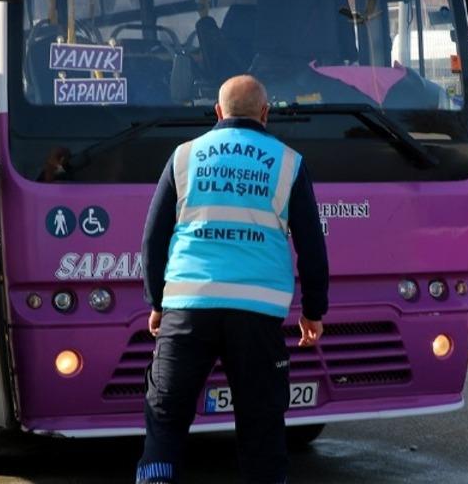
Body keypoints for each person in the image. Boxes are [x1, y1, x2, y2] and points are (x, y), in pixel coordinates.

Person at [137, 75, 329, 484]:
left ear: (218, 112)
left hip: (187, 309)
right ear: (265, 113)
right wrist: (313, 312)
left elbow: (153, 238)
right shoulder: (288, 163)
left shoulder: (185, 157)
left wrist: (157, 302)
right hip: (257, 314)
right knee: (262, 427)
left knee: (165, 420)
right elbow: (312, 246)